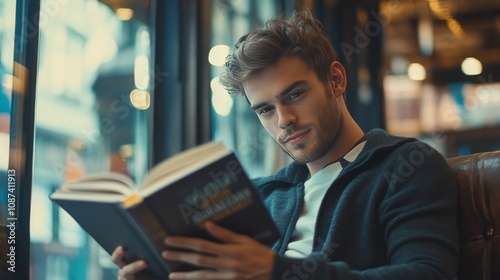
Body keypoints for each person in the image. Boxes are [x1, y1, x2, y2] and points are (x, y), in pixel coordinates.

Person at [112, 9, 459, 280]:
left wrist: (274, 272)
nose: (284, 119)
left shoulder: (406, 167)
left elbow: (429, 274)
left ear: (335, 79)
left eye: (295, 94)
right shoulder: (260, 196)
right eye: (265, 109)